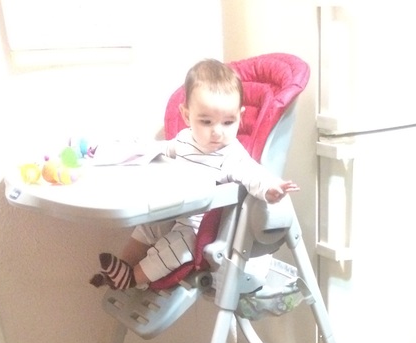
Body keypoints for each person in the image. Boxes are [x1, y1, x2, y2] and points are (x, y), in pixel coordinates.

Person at [90, 58, 299, 290]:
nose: (217, 132)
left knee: (176, 247)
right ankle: (122, 267)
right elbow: (157, 150)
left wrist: (270, 187)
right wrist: (109, 152)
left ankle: (131, 279)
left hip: (199, 229)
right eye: (206, 121)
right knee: (147, 227)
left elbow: (252, 173)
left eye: (228, 122)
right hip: (173, 212)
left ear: (240, 116)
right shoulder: (184, 140)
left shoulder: (230, 154)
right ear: (186, 115)